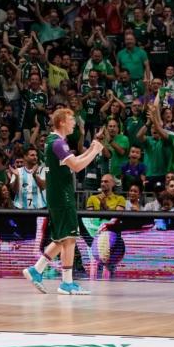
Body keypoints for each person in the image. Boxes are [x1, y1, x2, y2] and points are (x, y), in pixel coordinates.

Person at [22, 108, 105, 295]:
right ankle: (67, 283)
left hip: (57, 194)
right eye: (71, 119)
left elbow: (73, 160)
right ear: (61, 122)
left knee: (61, 237)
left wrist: (92, 148)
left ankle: (36, 270)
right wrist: (95, 153)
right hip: (62, 195)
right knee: (70, 237)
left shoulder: (56, 142)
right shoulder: (58, 143)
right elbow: (76, 166)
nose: (74, 123)